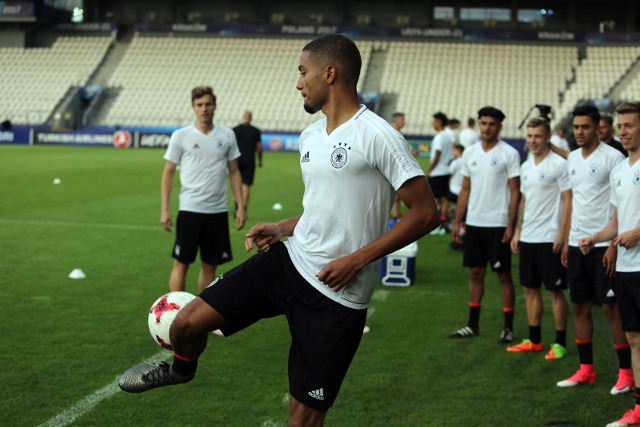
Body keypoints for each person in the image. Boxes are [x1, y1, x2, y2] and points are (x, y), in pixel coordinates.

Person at [119, 34, 439, 426]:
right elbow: (325, 209)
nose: (298, 82)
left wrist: (357, 260)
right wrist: (281, 226)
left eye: (303, 72)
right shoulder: (310, 136)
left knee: (301, 419)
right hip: (289, 261)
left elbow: (426, 213)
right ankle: (181, 370)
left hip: (337, 295)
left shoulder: (378, 136)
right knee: (185, 322)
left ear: (330, 73)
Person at [556, 105, 631, 395]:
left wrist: (612, 245)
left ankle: (626, 372)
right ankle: (586, 370)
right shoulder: (572, 158)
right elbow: (572, 200)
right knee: (580, 306)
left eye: (585, 127)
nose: (579, 132)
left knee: (612, 308)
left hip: (604, 246)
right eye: (576, 127)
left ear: (598, 127)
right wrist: (566, 239)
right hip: (577, 245)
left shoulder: (614, 157)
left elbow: (621, 206)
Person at [579, 101, 640, 427]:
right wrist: (596, 236)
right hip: (628, 266)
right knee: (633, 337)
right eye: (621, 125)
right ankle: (639, 409)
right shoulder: (619, 171)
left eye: (629, 125)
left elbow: (631, 227)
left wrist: (638, 232)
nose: (622, 131)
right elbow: (617, 222)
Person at [161, 86, 246, 293]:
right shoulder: (181, 136)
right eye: (199, 105)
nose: (204, 108)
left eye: (208, 104)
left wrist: (241, 206)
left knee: (210, 266)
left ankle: (201, 317)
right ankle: (175, 317)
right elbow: (168, 172)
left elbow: (234, 172)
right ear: (193, 108)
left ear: (215, 106)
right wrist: (165, 209)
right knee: (181, 264)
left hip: (217, 211)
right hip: (190, 209)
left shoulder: (227, 135)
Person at [449, 106, 520, 344]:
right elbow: (465, 190)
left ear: (499, 127)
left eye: (492, 124)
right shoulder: (469, 154)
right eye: (483, 123)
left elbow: (515, 191)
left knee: (503, 276)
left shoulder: (509, 154)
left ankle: (508, 328)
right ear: (479, 124)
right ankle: (472, 325)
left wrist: (511, 225)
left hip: (498, 224)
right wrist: (458, 222)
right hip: (475, 223)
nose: (487, 127)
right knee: (475, 273)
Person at [506, 117, 571, 359]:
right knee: (530, 288)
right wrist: (518, 231)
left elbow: (568, 200)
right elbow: (524, 200)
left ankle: (560, 342)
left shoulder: (559, 165)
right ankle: (534, 340)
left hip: (549, 237)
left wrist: (563, 234)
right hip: (528, 236)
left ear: (548, 138)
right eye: (529, 136)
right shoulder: (525, 165)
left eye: (538, 136)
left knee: (554, 292)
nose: (533, 141)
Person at [427, 112, 455, 227]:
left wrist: (429, 170)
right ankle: (442, 220)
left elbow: (437, 155)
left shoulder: (439, 137)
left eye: (434, 121)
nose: (433, 123)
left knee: (432, 198)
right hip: (446, 171)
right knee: (444, 199)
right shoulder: (448, 136)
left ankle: (432, 222)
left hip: (437, 172)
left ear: (439, 122)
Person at [233, 110, 263, 213]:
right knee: (246, 185)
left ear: (243, 117)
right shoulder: (255, 131)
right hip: (249, 160)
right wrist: (260, 160)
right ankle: (243, 208)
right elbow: (259, 147)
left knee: (236, 183)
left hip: (236, 159)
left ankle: (237, 204)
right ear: (251, 118)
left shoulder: (235, 130)